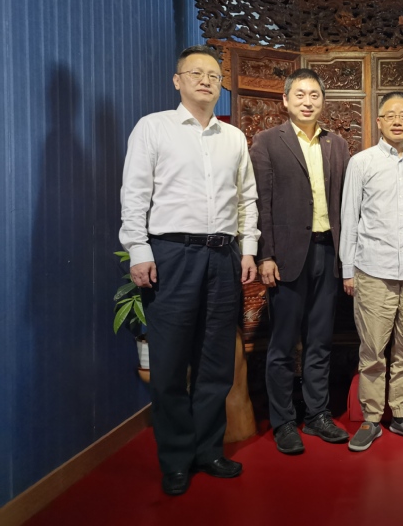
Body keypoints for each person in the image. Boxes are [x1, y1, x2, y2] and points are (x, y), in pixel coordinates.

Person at [119, 45, 259, 495]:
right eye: (195, 73)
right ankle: (176, 458)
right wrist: (138, 250)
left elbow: (247, 198)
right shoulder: (153, 128)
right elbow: (135, 194)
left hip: (223, 256)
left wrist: (248, 249)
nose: (205, 81)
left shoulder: (233, 137)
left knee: (216, 361)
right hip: (171, 255)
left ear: (221, 86)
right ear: (177, 80)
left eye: (213, 76)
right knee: (169, 362)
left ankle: (208, 450)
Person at [249, 68, 350, 454]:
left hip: (327, 251)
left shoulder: (337, 144)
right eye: (300, 95)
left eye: (314, 95)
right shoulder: (267, 142)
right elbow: (261, 202)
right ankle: (284, 421)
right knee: (283, 343)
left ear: (323, 101)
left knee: (320, 340)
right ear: (286, 100)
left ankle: (318, 414)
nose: (308, 102)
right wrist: (266, 254)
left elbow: (344, 202)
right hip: (287, 256)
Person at [340, 92, 403, 452]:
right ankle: (371, 417)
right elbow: (349, 218)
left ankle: (402, 414)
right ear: (378, 122)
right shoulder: (361, 163)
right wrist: (348, 269)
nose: (397, 120)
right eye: (390, 115)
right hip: (372, 270)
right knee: (373, 349)